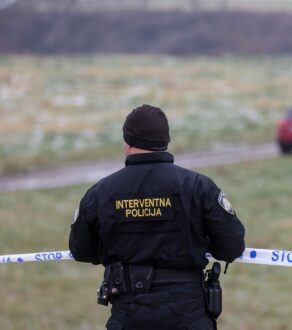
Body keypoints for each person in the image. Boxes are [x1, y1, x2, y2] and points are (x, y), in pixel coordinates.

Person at [69, 104, 245, 329]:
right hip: (188, 314)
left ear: (127, 142)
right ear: (165, 142)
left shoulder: (101, 192)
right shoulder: (198, 187)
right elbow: (232, 245)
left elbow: (80, 249)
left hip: (128, 314)